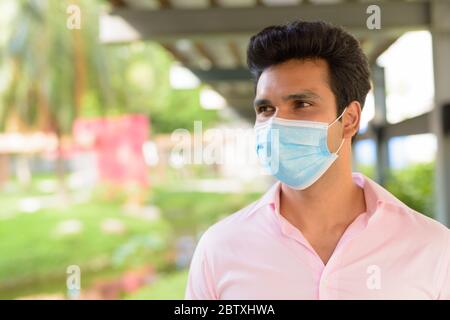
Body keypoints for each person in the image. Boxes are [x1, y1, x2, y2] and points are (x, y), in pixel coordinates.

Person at [185, 20, 450, 299]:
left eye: (301, 104)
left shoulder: (432, 247)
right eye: (265, 108)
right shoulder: (220, 248)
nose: (277, 123)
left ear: (349, 120)